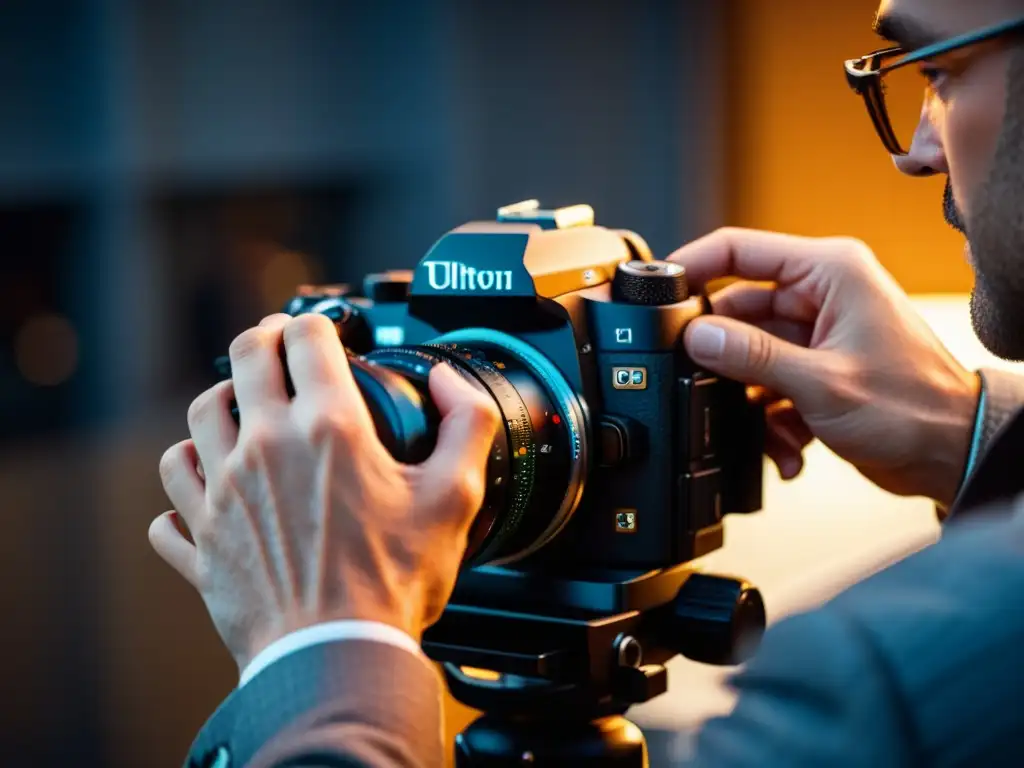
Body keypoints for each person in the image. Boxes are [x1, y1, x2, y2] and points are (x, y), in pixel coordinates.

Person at [151, 1, 1024, 765]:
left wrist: (319, 643)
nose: (915, 150)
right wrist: (964, 429)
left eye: (940, 69)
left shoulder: (888, 681)